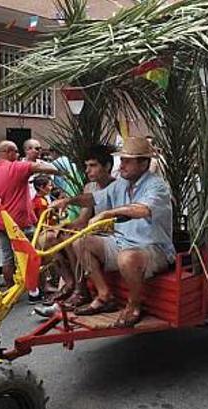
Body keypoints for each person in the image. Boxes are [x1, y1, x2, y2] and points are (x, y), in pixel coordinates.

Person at [49, 136, 174, 327]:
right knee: (80, 241)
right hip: (122, 243)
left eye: (127, 161)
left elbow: (142, 210)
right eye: (121, 160)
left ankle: (134, 305)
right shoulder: (121, 184)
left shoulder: (157, 186)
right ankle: (104, 295)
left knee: (127, 258)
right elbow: (93, 198)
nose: (121, 165)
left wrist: (108, 213)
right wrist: (68, 201)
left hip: (152, 247)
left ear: (143, 163)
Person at [34, 145, 116, 317]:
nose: (88, 170)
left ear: (107, 166)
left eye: (93, 165)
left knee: (74, 238)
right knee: (51, 237)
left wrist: (79, 228)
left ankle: (80, 289)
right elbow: (82, 219)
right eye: (86, 166)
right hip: (93, 229)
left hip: (110, 233)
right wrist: (65, 227)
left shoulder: (116, 186)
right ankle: (71, 284)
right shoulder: (89, 187)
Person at [0, 140, 64, 301]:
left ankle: (11, 292)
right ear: (7, 152)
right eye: (15, 152)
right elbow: (39, 167)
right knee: (35, 255)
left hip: (1, 221)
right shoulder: (15, 167)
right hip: (20, 222)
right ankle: (36, 290)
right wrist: (62, 171)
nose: (18, 155)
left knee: (7, 257)